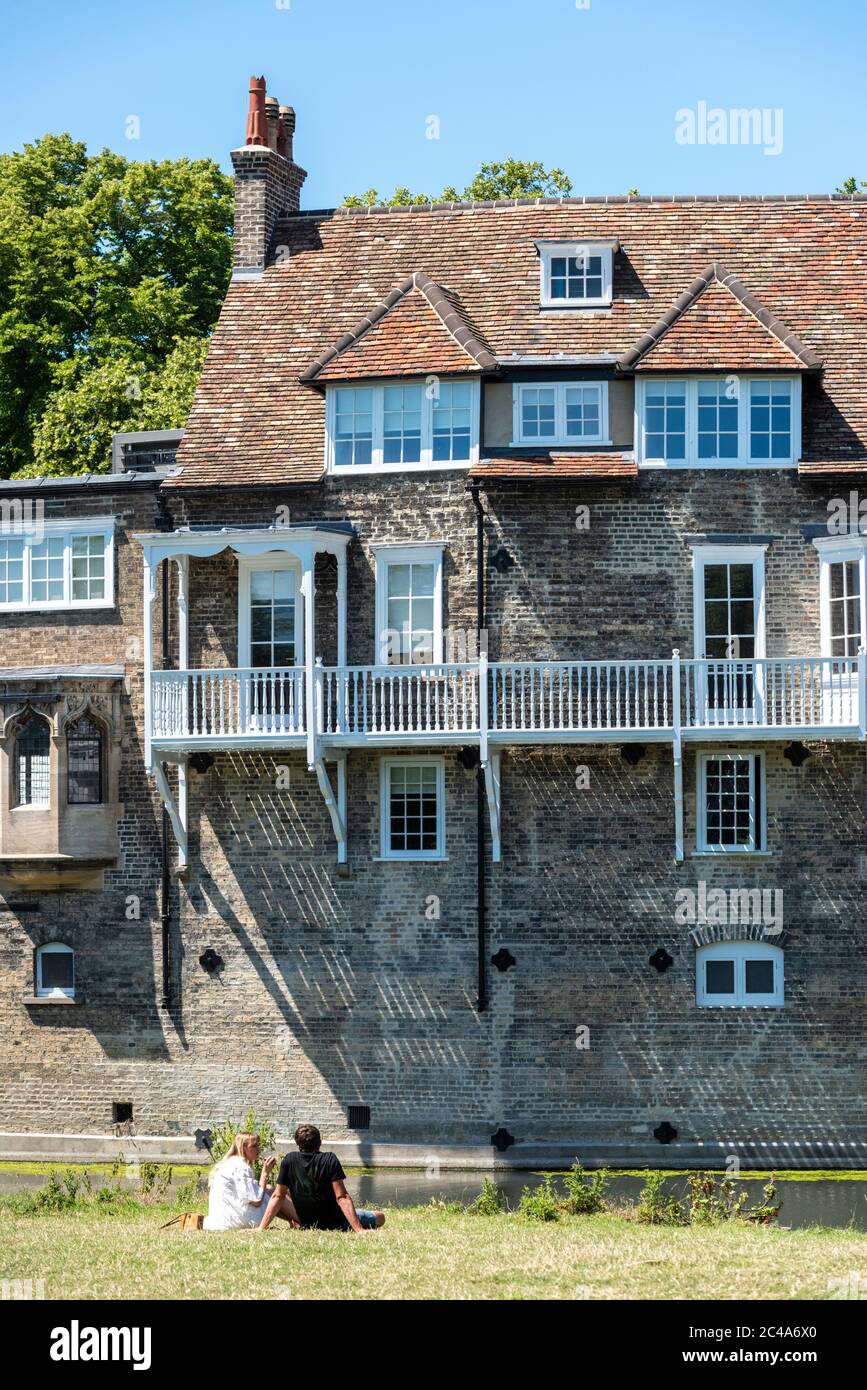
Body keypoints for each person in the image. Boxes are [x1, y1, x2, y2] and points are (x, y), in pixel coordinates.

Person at [258, 1124, 385, 1233]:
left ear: (298, 1144)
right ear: (320, 1142)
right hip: (336, 1223)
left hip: (307, 1224)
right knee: (380, 1217)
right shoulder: (329, 1159)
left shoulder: (289, 1160)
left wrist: (261, 1228)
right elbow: (342, 1198)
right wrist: (359, 1230)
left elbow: (278, 1196)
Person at [203, 1132, 299, 1230]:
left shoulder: (231, 1163)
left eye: (258, 1145)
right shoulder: (241, 1167)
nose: (258, 1149)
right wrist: (265, 1172)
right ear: (243, 1148)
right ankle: (302, 1219)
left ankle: (294, 1221)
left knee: (269, 1189)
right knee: (275, 1193)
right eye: (254, 1146)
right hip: (237, 1221)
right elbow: (256, 1201)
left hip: (222, 1220)